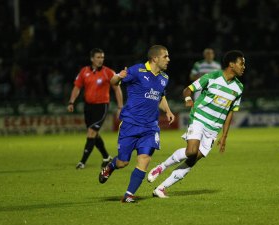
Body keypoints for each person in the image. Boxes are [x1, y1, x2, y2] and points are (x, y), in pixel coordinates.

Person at [147, 50, 246, 198]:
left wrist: (224, 136)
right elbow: (188, 90)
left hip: (214, 128)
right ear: (231, 64)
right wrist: (188, 99)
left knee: (192, 160)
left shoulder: (239, 88)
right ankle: (161, 167)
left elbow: (230, 112)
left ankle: (161, 188)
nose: (244, 67)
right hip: (199, 117)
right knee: (191, 151)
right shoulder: (212, 77)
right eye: (241, 63)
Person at [98, 45, 175, 203]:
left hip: (150, 127)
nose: (168, 59)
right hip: (131, 124)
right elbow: (113, 81)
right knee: (123, 162)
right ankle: (111, 166)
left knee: (145, 158)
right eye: (165, 56)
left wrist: (168, 111)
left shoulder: (164, 78)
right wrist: (120, 76)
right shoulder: (137, 70)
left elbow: (160, 96)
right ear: (155, 58)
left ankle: (128, 195)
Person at [67, 48, 126, 169]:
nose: (100, 60)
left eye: (102, 57)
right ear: (92, 59)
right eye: (98, 57)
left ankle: (82, 162)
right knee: (94, 133)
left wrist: (120, 106)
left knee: (91, 132)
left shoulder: (108, 72)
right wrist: (71, 101)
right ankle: (106, 157)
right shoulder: (84, 71)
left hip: (101, 106)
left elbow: (117, 88)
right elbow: (77, 87)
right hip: (88, 107)